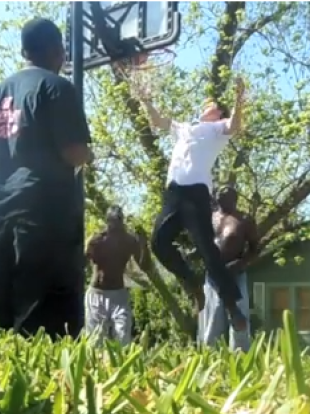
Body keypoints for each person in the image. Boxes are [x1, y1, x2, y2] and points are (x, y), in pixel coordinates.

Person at [0, 18, 93, 339]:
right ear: (59, 51)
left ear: (24, 51)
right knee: (46, 322)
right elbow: (74, 152)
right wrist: (89, 155)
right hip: (43, 215)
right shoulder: (56, 87)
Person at [136, 77, 248, 331]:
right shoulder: (184, 127)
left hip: (196, 194)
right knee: (158, 242)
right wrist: (145, 99)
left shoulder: (217, 128)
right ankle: (192, 282)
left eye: (211, 105)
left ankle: (232, 307)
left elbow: (235, 124)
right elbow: (158, 121)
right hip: (174, 192)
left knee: (207, 249)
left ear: (219, 113)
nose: (206, 105)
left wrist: (239, 99)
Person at [198, 186, 259, 351]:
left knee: (239, 316)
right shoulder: (208, 218)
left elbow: (255, 248)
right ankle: (209, 355)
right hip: (213, 275)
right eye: (219, 194)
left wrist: (240, 263)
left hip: (235, 274)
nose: (220, 196)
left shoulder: (244, 220)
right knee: (212, 316)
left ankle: (241, 355)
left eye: (225, 194)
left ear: (234, 198)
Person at [85, 205, 149, 345]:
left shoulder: (129, 241)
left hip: (119, 296)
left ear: (122, 222)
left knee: (123, 338)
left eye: (118, 222)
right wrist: (88, 245)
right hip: (97, 295)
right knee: (95, 342)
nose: (115, 227)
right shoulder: (98, 240)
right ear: (107, 222)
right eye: (112, 222)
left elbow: (144, 265)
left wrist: (143, 245)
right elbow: (82, 261)